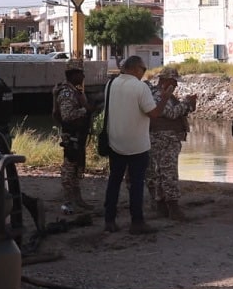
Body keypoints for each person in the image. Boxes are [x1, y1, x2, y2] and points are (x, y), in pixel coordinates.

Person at [102, 55, 163, 235]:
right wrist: (166, 97)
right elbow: (154, 113)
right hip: (137, 144)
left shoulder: (110, 84)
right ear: (136, 69)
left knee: (114, 181)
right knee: (136, 184)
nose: (143, 73)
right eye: (143, 69)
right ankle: (137, 222)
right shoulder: (140, 87)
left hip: (114, 141)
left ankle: (109, 220)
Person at [147, 66, 197, 221]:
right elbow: (170, 113)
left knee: (160, 172)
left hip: (163, 137)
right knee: (168, 172)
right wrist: (187, 104)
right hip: (165, 138)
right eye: (174, 81)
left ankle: (162, 205)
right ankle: (173, 207)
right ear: (166, 80)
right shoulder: (158, 94)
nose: (176, 85)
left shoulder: (159, 94)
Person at [52, 61, 96, 213]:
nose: (83, 76)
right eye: (81, 73)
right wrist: (86, 110)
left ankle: (77, 200)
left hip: (78, 135)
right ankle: (68, 202)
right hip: (71, 136)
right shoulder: (67, 93)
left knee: (77, 168)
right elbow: (67, 116)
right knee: (69, 168)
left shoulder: (74, 90)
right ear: (73, 74)